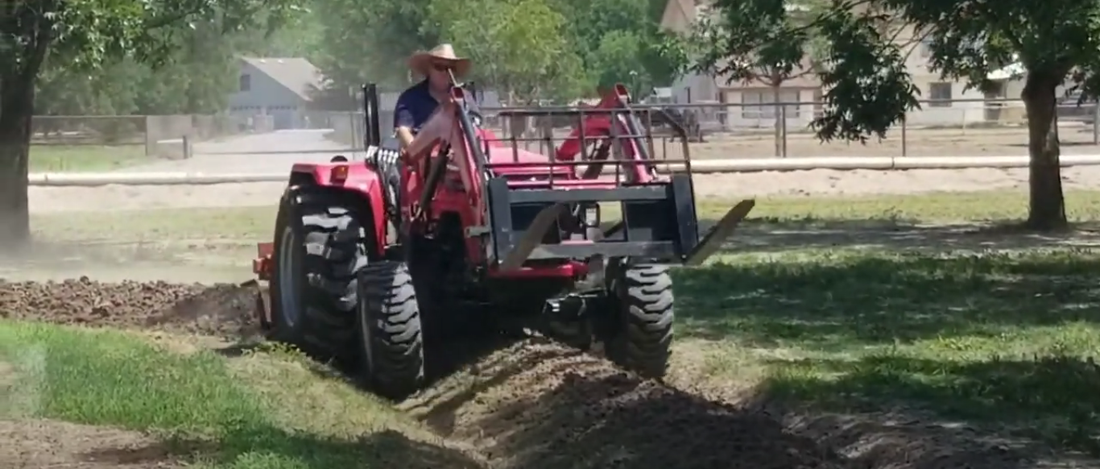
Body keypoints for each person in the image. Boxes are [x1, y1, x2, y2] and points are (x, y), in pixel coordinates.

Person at [393, 44, 472, 150]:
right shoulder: (410, 98)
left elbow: (476, 129)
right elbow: (403, 130)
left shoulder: (464, 97)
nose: (445, 72)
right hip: (419, 161)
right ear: (428, 69)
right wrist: (419, 155)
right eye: (439, 67)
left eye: (450, 68)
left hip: (460, 158)